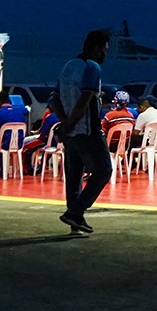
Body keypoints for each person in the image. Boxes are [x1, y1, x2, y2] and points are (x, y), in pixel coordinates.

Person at [55, 28, 112, 235]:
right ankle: (76, 212)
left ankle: (75, 223)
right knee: (104, 170)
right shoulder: (92, 67)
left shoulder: (68, 66)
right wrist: (71, 122)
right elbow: (86, 98)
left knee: (74, 177)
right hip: (88, 130)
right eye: (104, 50)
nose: (105, 54)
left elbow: (54, 98)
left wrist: (64, 122)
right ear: (96, 48)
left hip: (70, 134)